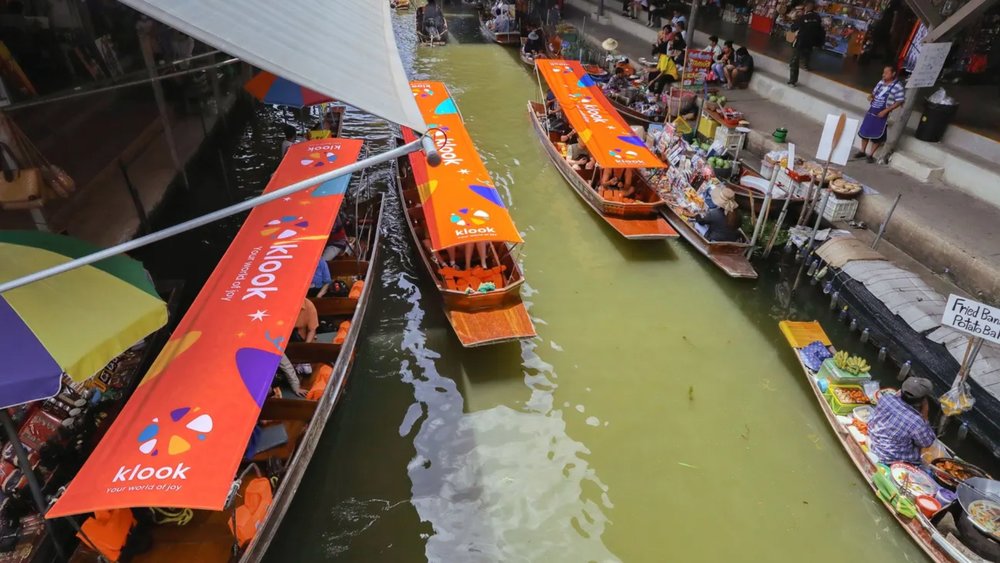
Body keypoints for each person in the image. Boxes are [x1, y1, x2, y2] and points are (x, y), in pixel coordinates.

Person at [867, 377, 937, 464]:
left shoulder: (886, 398)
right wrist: (925, 415)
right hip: (890, 457)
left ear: (901, 391)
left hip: (873, 442)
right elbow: (927, 442)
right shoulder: (917, 422)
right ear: (921, 401)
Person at [854, 66, 904, 163]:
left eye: (886, 73)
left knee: (877, 136)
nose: (883, 75)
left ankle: (870, 155)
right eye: (883, 73)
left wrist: (886, 111)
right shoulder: (881, 83)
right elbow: (874, 93)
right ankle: (862, 151)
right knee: (865, 131)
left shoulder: (898, 86)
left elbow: (899, 101)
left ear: (893, 74)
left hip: (883, 113)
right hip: (872, 110)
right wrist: (871, 97)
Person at [788, 1, 824, 86]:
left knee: (794, 61)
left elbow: (793, 28)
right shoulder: (818, 17)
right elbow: (819, 29)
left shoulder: (802, 18)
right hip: (811, 42)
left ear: (806, 8)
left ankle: (792, 81)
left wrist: (794, 19)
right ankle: (806, 66)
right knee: (807, 53)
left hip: (801, 41)